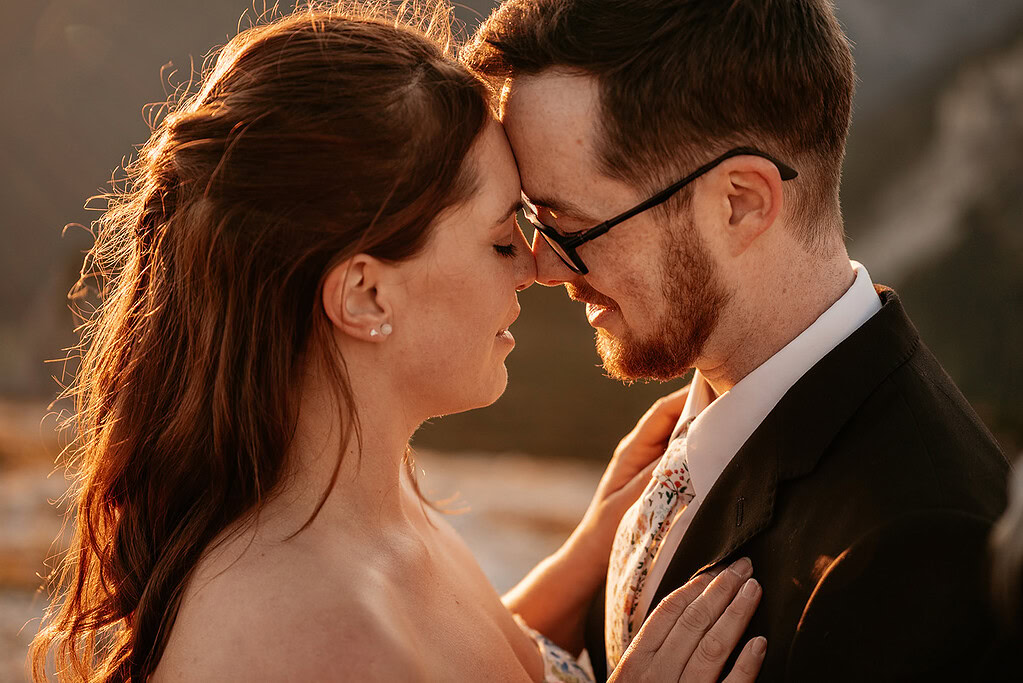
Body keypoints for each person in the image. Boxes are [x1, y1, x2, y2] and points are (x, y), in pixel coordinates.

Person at [29, 3, 768, 681]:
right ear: (364, 294)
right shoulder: (294, 638)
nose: (535, 267)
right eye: (498, 238)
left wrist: (589, 556)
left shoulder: (366, 513)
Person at [463, 0, 1014, 679]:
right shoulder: (689, 431)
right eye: (529, 218)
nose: (543, 266)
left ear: (740, 202)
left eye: (570, 227)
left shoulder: (918, 549)